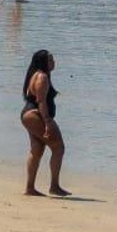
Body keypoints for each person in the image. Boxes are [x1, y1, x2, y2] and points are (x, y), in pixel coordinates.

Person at [21, 50, 69, 197]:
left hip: (29, 115)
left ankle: (30, 188)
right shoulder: (42, 77)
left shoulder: (35, 74)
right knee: (58, 147)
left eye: (53, 60)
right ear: (42, 62)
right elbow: (41, 101)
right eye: (50, 60)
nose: (53, 63)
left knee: (36, 150)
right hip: (36, 115)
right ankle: (54, 186)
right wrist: (48, 121)